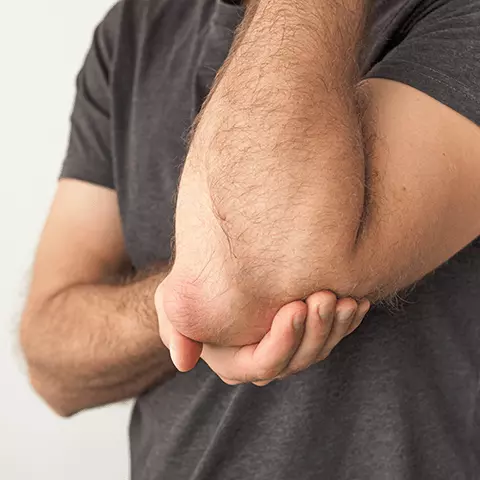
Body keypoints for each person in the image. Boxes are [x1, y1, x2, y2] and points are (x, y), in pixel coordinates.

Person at [20, 0, 480, 478]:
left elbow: (265, 266)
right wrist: (174, 306)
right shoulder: (135, 26)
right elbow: (53, 367)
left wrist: (216, 294)